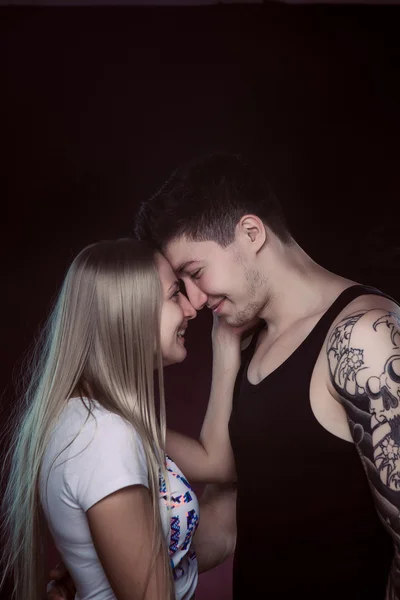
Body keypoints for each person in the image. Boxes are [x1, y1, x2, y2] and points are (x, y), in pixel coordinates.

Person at [131, 153, 400, 599]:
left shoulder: (364, 336)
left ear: (251, 233)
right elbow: (224, 522)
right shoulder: (244, 342)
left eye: (195, 274)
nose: (193, 302)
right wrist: (105, 571)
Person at [1, 238, 241, 600]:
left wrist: (226, 342)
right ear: (131, 313)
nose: (192, 309)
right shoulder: (101, 436)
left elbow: (218, 464)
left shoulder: (108, 417)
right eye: (175, 294)